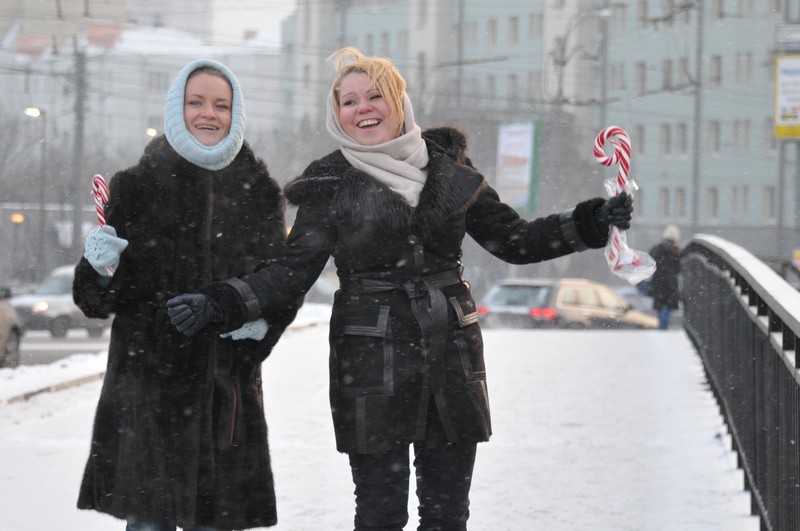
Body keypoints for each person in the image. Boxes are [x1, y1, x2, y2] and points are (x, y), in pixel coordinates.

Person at [166, 47, 634, 531]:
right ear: (337, 113)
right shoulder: (328, 185)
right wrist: (219, 303)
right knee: (379, 515)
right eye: (348, 101)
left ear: (398, 101)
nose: (362, 108)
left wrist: (592, 220)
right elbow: (290, 272)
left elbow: (514, 240)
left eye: (374, 96)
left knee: (447, 514)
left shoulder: (452, 171)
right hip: (370, 364)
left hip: (450, 357)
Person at [73, 58, 299, 531]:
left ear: (235, 113)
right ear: (177, 109)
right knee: (150, 522)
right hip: (147, 392)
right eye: (196, 102)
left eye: (221, 104)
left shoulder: (260, 192)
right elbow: (97, 301)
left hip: (226, 391)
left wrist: (257, 325)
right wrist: (97, 266)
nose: (208, 114)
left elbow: (282, 282)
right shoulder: (135, 186)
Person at [649, 224, 682, 330]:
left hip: (658, 281)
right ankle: (663, 328)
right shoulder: (676, 251)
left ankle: (661, 327)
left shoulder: (657, 249)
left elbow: (650, 262)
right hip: (670, 283)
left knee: (661, 307)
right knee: (667, 307)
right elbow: (679, 268)